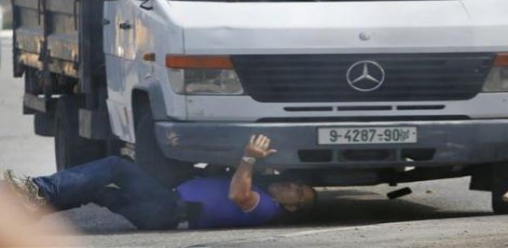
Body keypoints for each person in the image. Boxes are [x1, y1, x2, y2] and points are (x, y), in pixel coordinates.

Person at [1, 134, 316, 230]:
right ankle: (29, 213)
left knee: (116, 166)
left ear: (291, 207)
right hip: (165, 208)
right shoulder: (264, 189)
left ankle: (36, 190)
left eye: (299, 194)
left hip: (168, 209)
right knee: (98, 190)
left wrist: (249, 157)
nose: (293, 187)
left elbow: (237, 195)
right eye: (297, 184)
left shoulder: (266, 209)